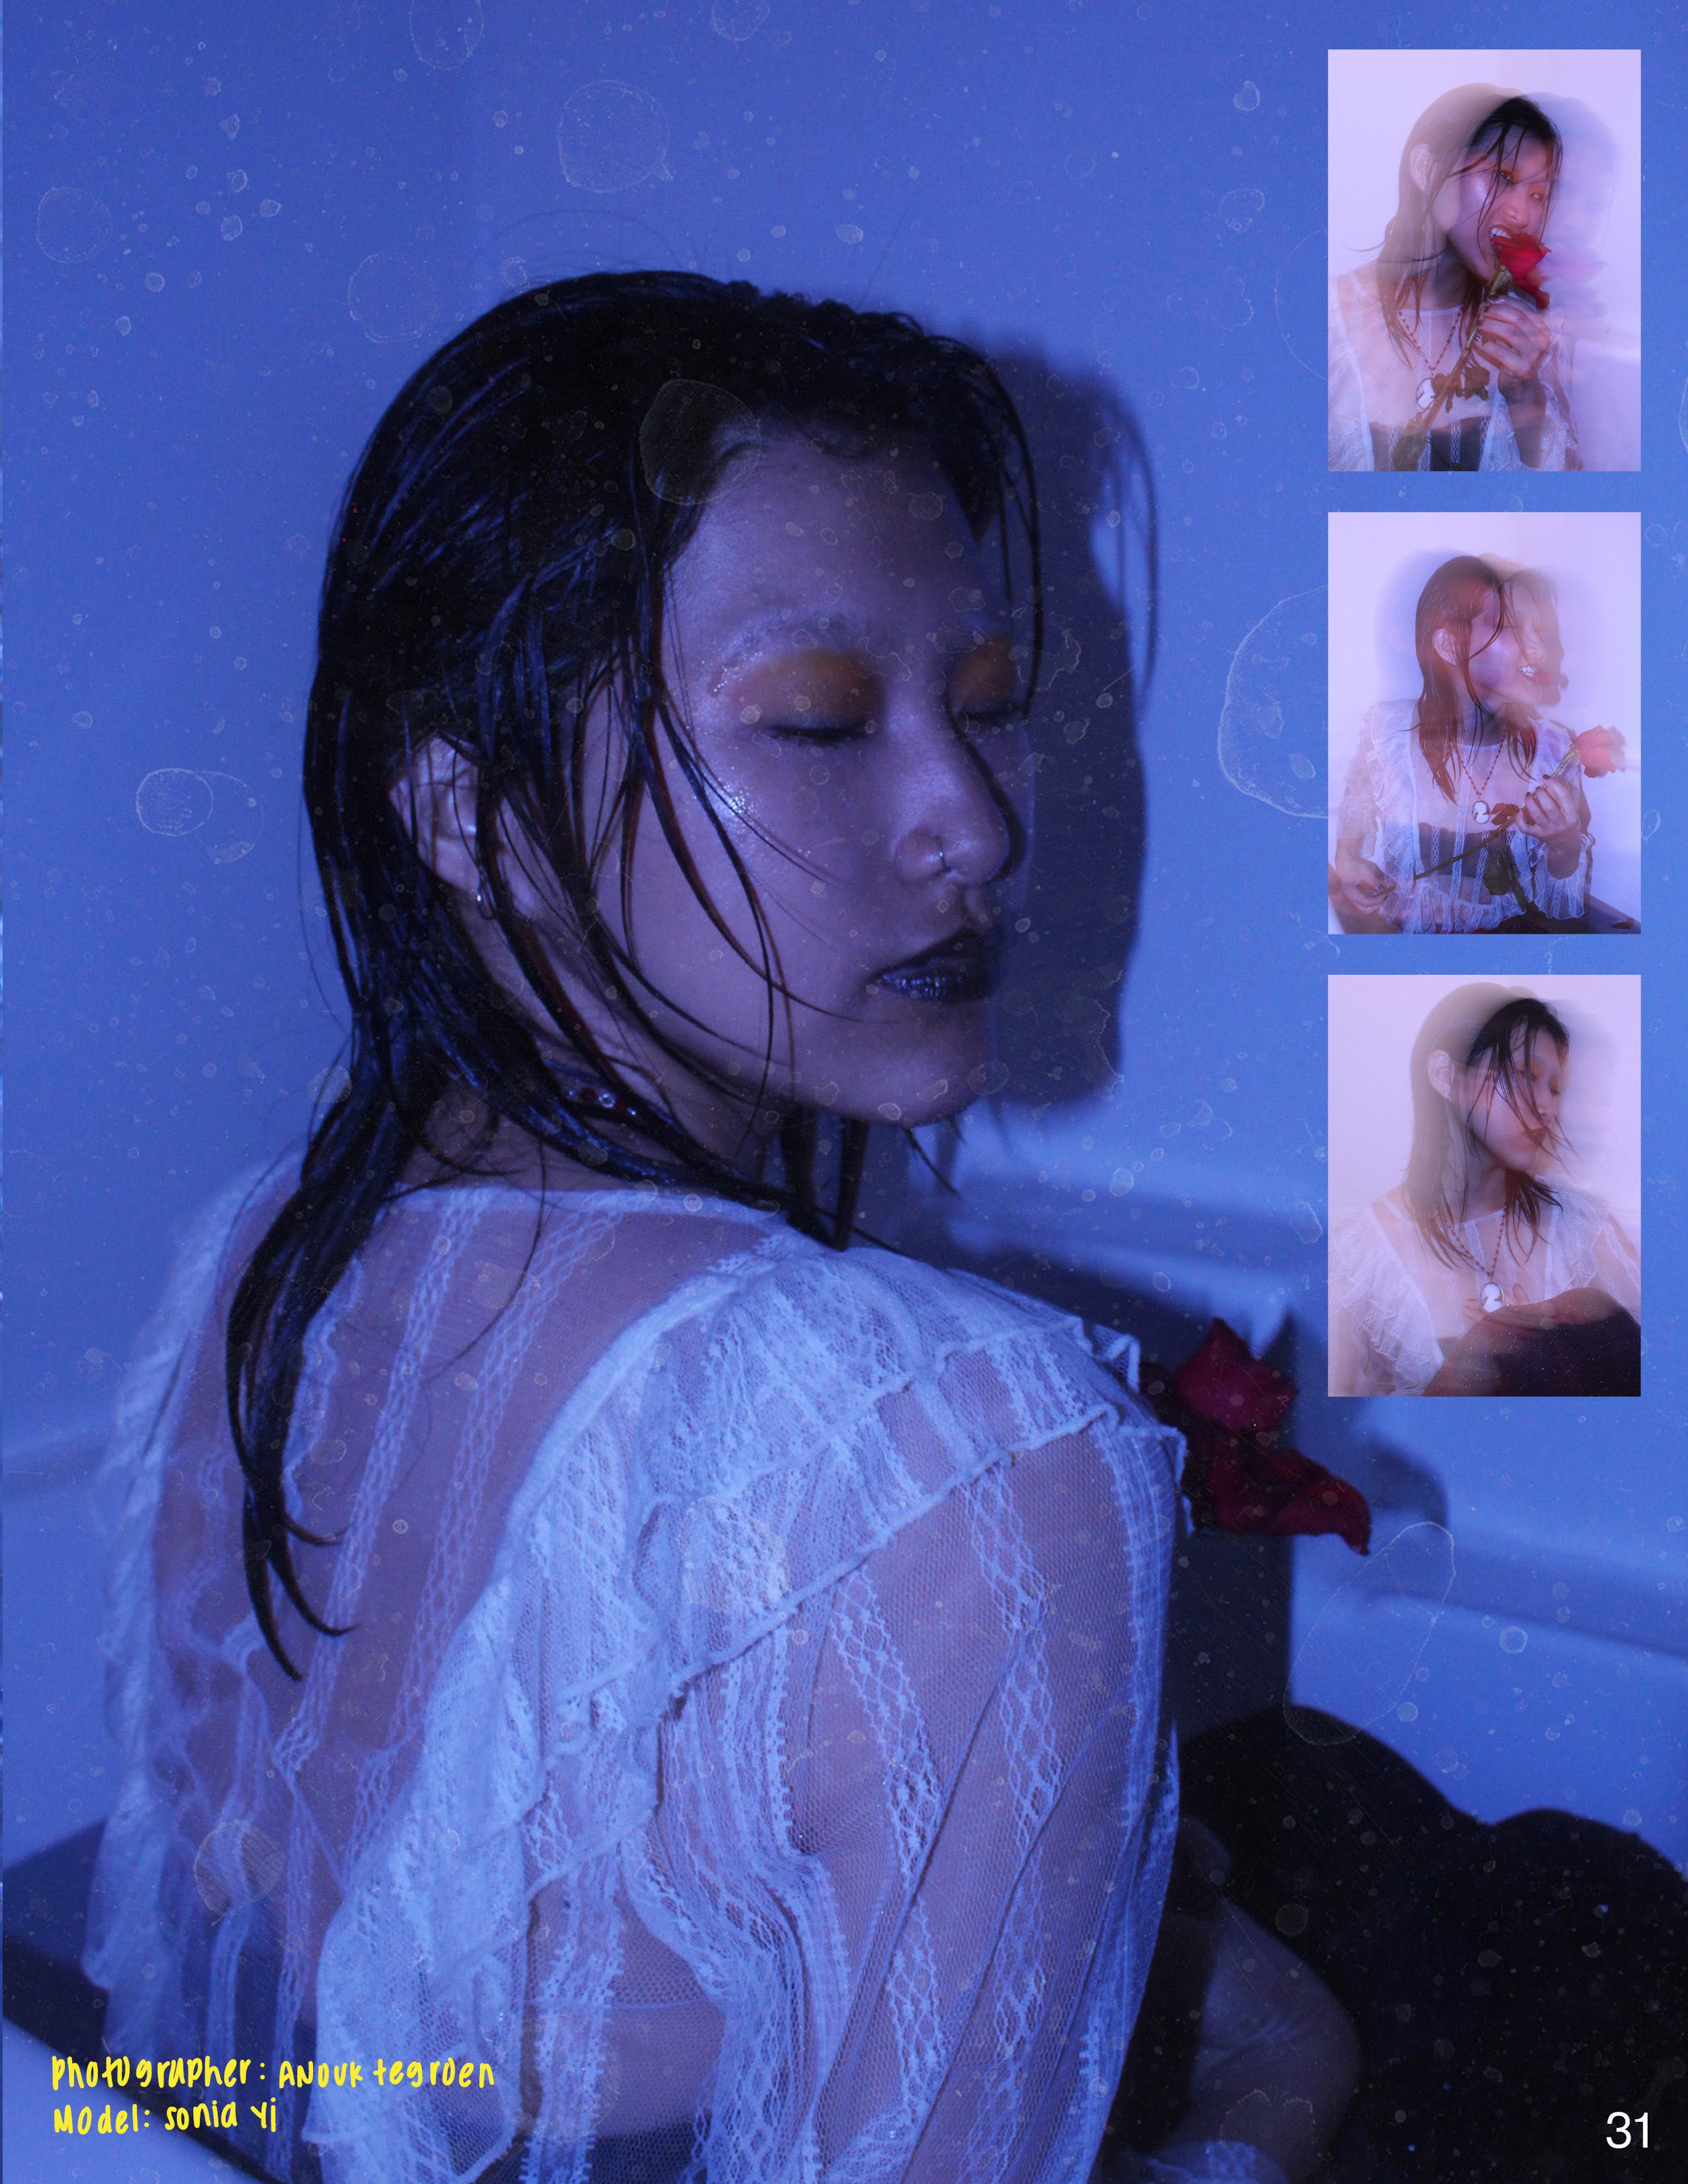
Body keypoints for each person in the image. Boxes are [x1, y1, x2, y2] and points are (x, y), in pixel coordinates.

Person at [82, 275, 1356, 2184]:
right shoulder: (973, 1451)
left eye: (987, 704)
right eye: (821, 721)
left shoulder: (258, 1257)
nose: (974, 825)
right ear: (472, 817)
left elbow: (301, 1996)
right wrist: (1285, 2089)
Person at [1329, 986, 1639, 1397]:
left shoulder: (1584, 1231)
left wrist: (1557, 1350)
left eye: (1554, 1087)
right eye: (1526, 1075)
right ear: (1446, 1076)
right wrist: (1471, 1367)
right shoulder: (1356, 1255)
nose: (1547, 1107)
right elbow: (1341, 1424)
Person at [1328, 556, 1616, 934]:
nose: (1541, 649)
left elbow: (1556, 903)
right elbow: (1359, 795)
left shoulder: (1552, 753)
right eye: (1512, 626)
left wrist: (1564, 843)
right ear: (1450, 645)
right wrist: (1348, 859)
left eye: (1540, 630)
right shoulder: (1389, 733)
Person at [1329, 86, 1578, 471]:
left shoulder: (1534, 338)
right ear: (1427, 171)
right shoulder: (1328, 323)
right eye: (1503, 175)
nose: (1525, 215)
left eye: (1538, 195)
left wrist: (1527, 399)